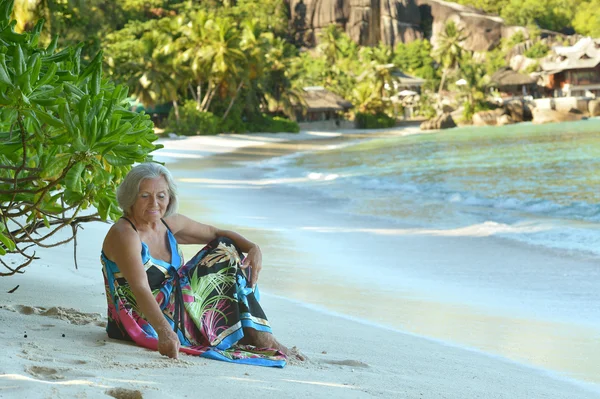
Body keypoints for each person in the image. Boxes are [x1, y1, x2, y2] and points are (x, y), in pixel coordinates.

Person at [101, 163, 299, 367]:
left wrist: (253, 248)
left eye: (161, 195)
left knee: (227, 247)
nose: (154, 203)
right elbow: (140, 287)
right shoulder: (125, 234)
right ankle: (254, 334)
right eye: (145, 196)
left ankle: (254, 332)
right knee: (225, 252)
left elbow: (217, 234)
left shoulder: (168, 223)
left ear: (169, 197)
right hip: (144, 322)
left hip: (177, 310)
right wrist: (165, 332)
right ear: (130, 197)